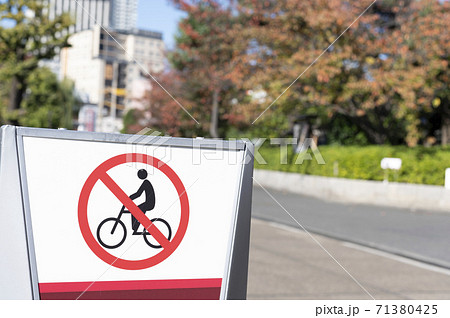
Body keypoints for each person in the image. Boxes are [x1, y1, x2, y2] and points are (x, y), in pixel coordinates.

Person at [128, 169, 155, 234]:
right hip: (149, 202)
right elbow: (138, 194)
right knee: (135, 211)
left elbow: (138, 194)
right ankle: (135, 227)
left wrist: (129, 198)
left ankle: (136, 227)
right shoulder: (146, 182)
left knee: (135, 211)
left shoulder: (146, 182)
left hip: (149, 203)